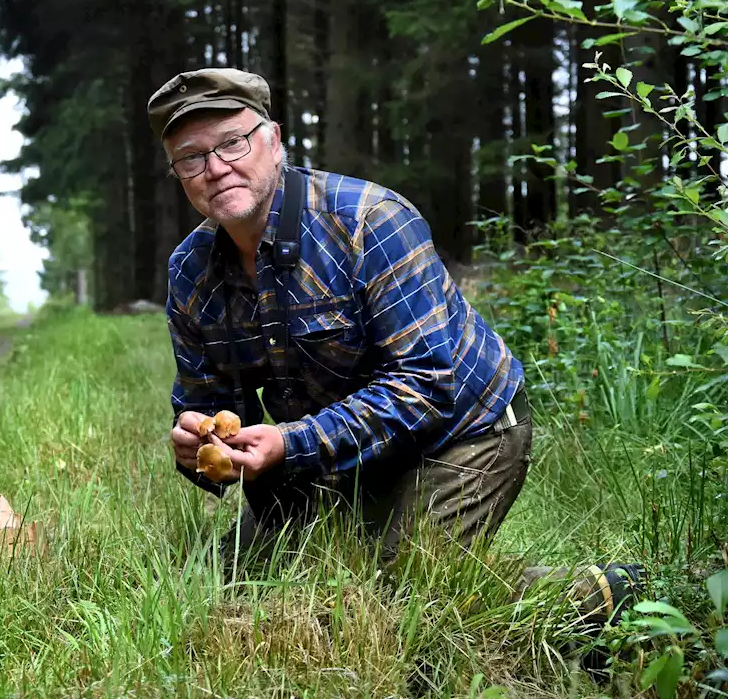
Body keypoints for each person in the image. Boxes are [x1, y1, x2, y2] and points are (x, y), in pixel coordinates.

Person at [154, 67, 647, 623]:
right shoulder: (191, 273)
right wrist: (199, 448)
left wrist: (291, 445)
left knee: (397, 598)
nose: (216, 169)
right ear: (178, 174)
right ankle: (389, 539)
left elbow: (424, 387)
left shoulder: (368, 221)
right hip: (334, 452)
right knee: (222, 583)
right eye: (191, 158)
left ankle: (603, 595)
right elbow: (213, 411)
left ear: (273, 139)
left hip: (464, 429)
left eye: (232, 143)